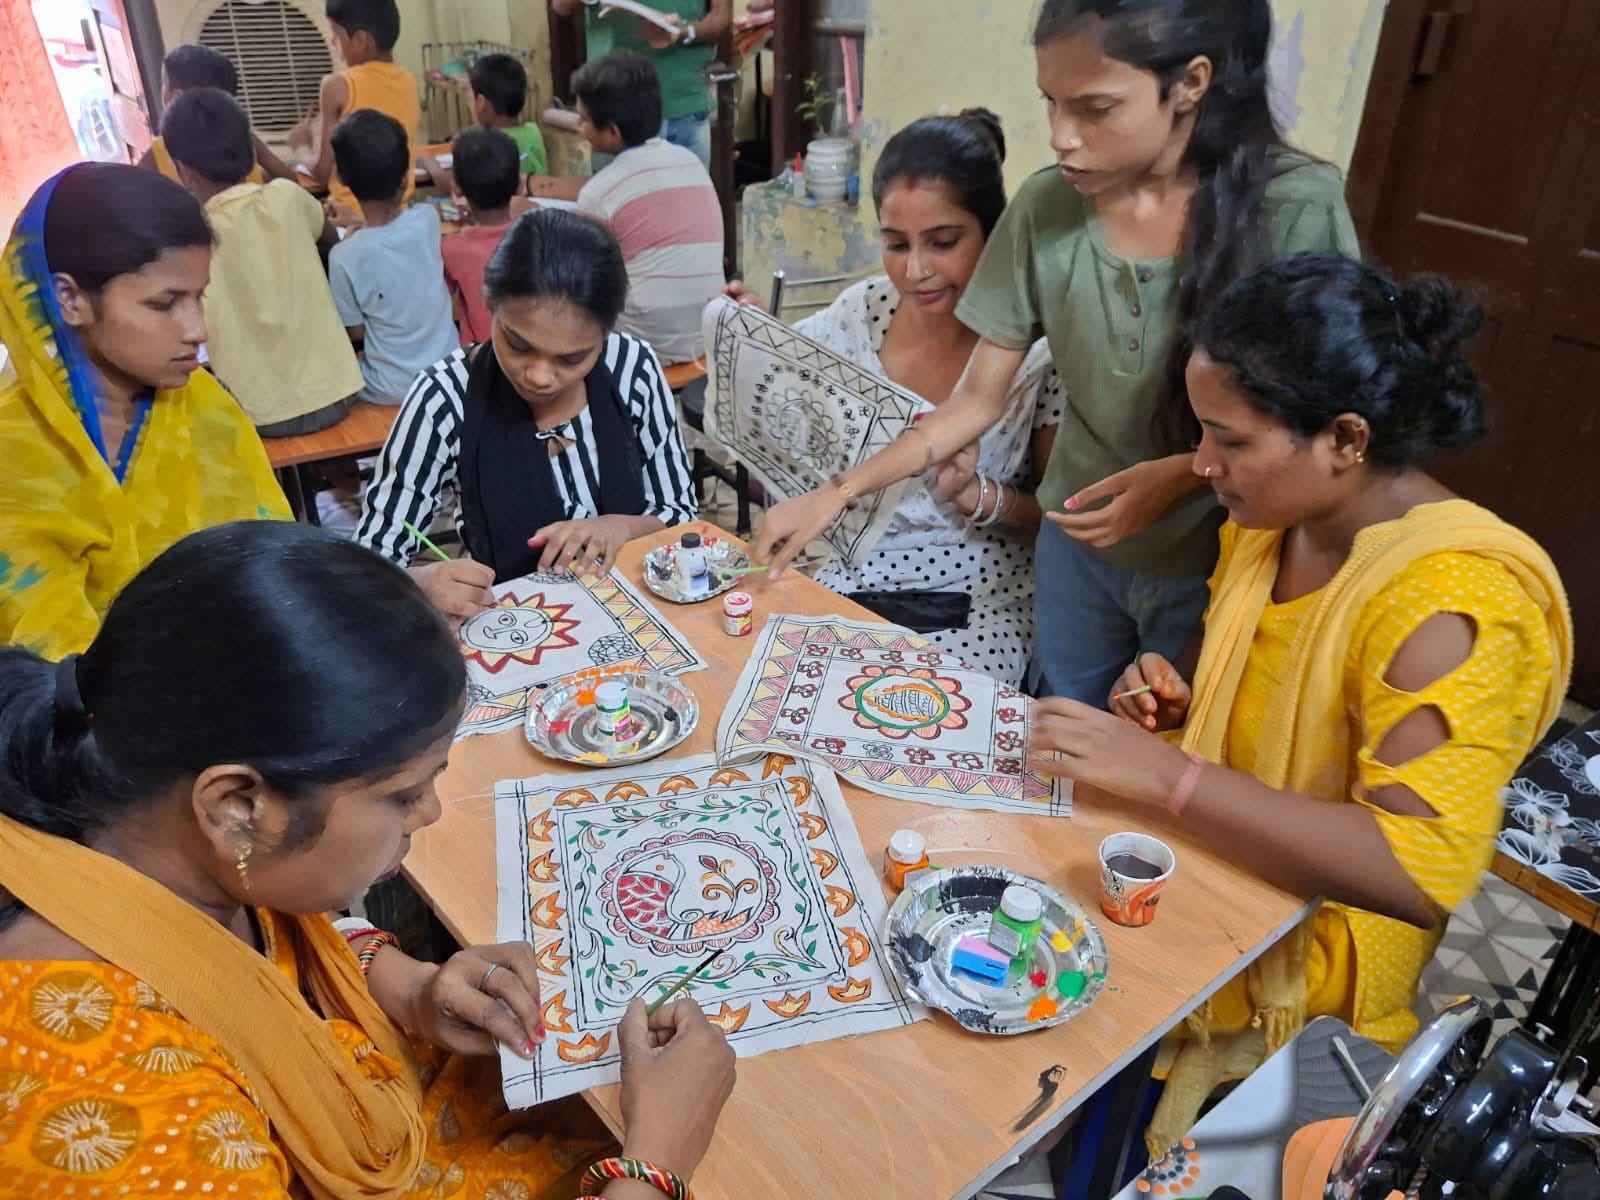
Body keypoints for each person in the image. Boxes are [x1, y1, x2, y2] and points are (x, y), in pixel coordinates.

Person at [0, 520, 736, 1198]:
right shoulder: (118, 1117)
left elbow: (247, 966)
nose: (430, 814)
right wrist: (657, 1160)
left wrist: (407, 985)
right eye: (402, 794)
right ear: (237, 807)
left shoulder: (141, 831)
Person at [1028, 253, 1573, 1154]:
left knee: (1223, 1156)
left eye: (1228, 441)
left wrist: (1171, 777)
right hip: (1217, 886)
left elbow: (1414, 869)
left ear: (1347, 440)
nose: (1202, 465)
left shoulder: (1451, 605)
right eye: (1201, 435)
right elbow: (1249, 684)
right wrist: (1178, 698)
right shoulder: (1276, 524)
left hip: (1305, 987)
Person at [753, 0, 1359, 705]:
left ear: (1191, 83)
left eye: (1095, 108)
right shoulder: (1048, 209)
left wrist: (1180, 475)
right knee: (1065, 725)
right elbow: (975, 401)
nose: (1062, 137)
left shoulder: (1293, 207)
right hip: (1077, 549)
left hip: (1221, 550)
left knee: (1173, 742)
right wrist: (835, 495)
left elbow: (1314, 419)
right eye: (1051, 104)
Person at [728, 111, 1061, 686]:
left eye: (943, 242)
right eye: (895, 243)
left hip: (975, 595)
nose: (916, 270)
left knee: (932, 738)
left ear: (994, 231)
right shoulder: (859, 317)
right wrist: (756, 331)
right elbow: (789, 390)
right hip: (856, 581)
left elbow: (1055, 527)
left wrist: (977, 496)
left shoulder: (1035, 355)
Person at [0, 165, 289, 659]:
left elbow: (277, 559)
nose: (198, 330)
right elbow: (53, 667)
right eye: (163, 303)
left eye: (199, 297)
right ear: (69, 299)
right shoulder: (16, 457)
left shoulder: (206, 408)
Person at [358, 208, 697, 616]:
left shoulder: (631, 369)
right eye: (517, 345)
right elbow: (369, 562)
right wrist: (420, 583)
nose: (539, 377)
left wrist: (620, 527)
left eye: (571, 359)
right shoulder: (444, 398)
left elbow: (678, 513)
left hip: (634, 611)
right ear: (490, 303)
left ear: (604, 335)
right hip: (511, 626)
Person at [163, 88, 364, 436]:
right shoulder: (286, 198)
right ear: (252, 153)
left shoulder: (191, 236)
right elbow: (330, 239)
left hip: (256, 414)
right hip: (338, 392)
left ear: (183, 170)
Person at [574, 51, 724, 365]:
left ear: (612, 131)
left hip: (648, 345)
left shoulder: (599, 193)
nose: (578, 125)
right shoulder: (690, 162)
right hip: (710, 330)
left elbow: (588, 283)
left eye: (584, 120)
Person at [328, 109, 458, 405]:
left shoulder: (344, 257)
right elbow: (393, 232)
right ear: (405, 177)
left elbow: (356, 330)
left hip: (391, 388)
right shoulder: (427, 220)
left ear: (342, 178)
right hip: (448, 372)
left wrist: (354, 233)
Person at [549, 0, 733, 169]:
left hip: (685, 104)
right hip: (616, 112)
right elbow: (561, 5)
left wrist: (683, 31)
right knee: (622, 203)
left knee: (689, 202)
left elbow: (721, 18)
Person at [291, 0, 421, 218]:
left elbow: (322, 173)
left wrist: (301, 146)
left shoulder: (336, 85)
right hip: (399, 213)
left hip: (347, 216)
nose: (332, 42)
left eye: (335, 34)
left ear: (361, 40)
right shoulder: (408, 80)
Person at [138, 43, 295, 186]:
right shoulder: (244, 137)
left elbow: (133, 194)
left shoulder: (159, 150)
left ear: (176, 98)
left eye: (163, 83)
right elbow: (290, 180)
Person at [441, 127, 519, 345]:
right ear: (519, 185)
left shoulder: (451, 248)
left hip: (480, 359)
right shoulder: (535, 233)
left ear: (456, 188)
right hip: (526, 352)